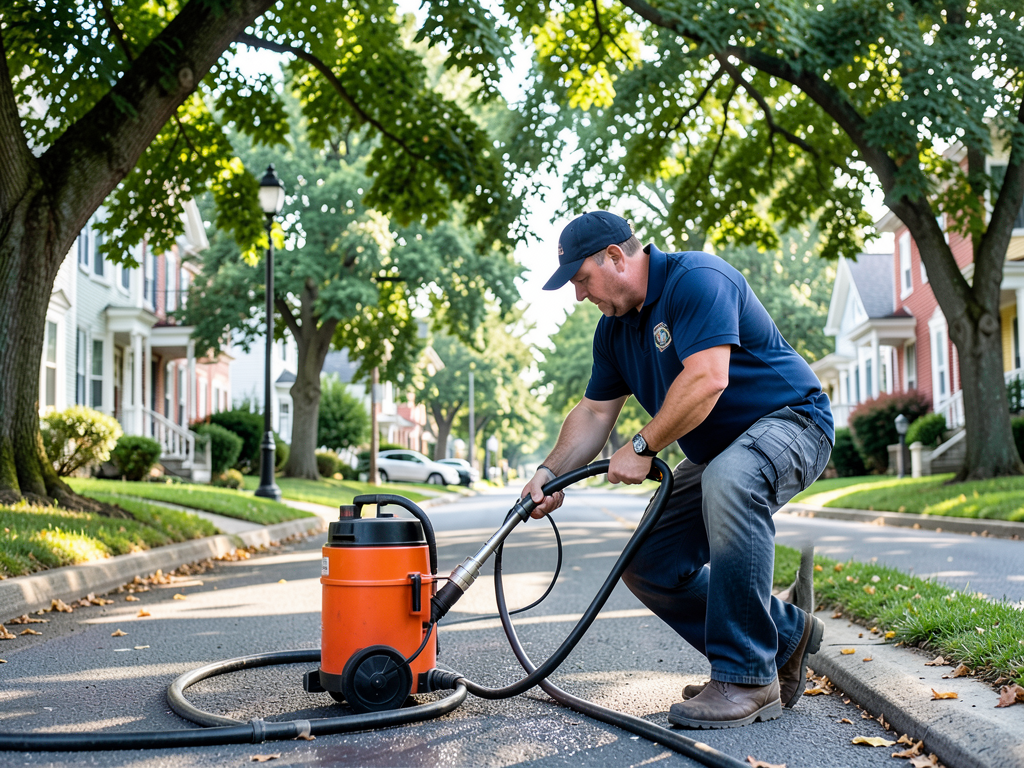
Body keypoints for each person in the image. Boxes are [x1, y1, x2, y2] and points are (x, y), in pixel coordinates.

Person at [522, 211, 834, 729]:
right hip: (719, 452)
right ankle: (784, 636)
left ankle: (747, 676)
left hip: (792, 423)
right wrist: (548, 473)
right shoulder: (614, 332)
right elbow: (596, 412)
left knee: (730, 478)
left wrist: (642, 444)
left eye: (581, 279)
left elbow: (708, 377)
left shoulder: (698, 280)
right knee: (649, 560)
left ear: (616, 258)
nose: (579, 295)